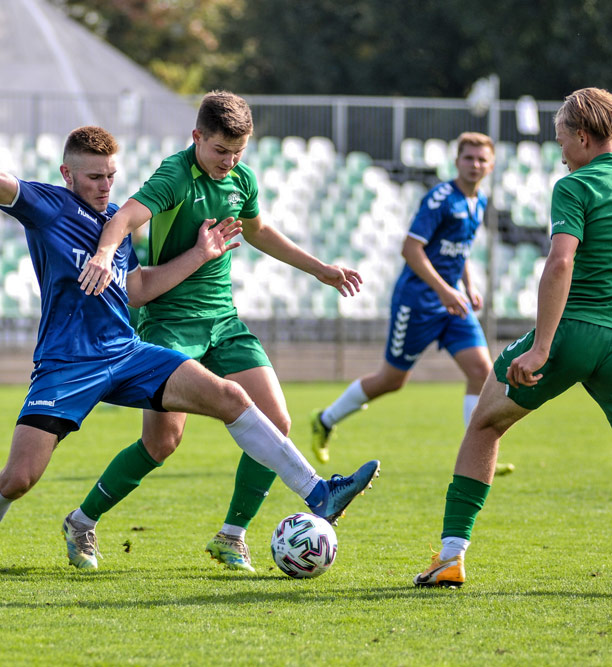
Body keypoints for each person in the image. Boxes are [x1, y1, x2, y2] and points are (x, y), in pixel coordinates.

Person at [0, 73, 379, 575]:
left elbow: (138, 290)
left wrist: (199, 254)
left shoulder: (119, 224)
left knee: (232, 397)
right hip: (67, 365)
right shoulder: (48, 207)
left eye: (110, 176)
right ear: (67, 174)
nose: (104, 186)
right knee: (19, 478)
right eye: (93, 177)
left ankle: (317, 493)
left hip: (127, 353)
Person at [70, 90, 376, 573]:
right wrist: (106, 254)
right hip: (169, 324)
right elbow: (125, 218)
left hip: (224, 321)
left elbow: (258, 231)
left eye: (238, 152)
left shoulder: (241, 179)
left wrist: (319, 268)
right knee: (161, 443)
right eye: (220, 150)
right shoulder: (175, 175)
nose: (229, 161)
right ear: (197, 137)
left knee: (275, 420)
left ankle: (232, 536)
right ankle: (81, 521)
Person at [414, 87, 612, 588]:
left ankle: (451, 556)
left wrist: (542, 346)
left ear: (583, 137)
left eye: (562, 140)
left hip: (574, 331)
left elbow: (561, 262)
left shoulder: (575, 185)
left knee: (484, 424)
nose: (560, 152)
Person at [310, 132, 512, 473]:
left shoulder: (479, 201)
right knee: (392, 380)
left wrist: (468, 284)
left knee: (482, 372)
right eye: (468, 158)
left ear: (491, 166)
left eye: (482, 159)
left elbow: (457, 249)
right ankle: (325, 420)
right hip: (417, 302)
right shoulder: (440, 199)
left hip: (452, 302)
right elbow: (411, 249)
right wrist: (445, 290)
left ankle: (476, 455)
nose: (475, 164)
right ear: (456, 162)